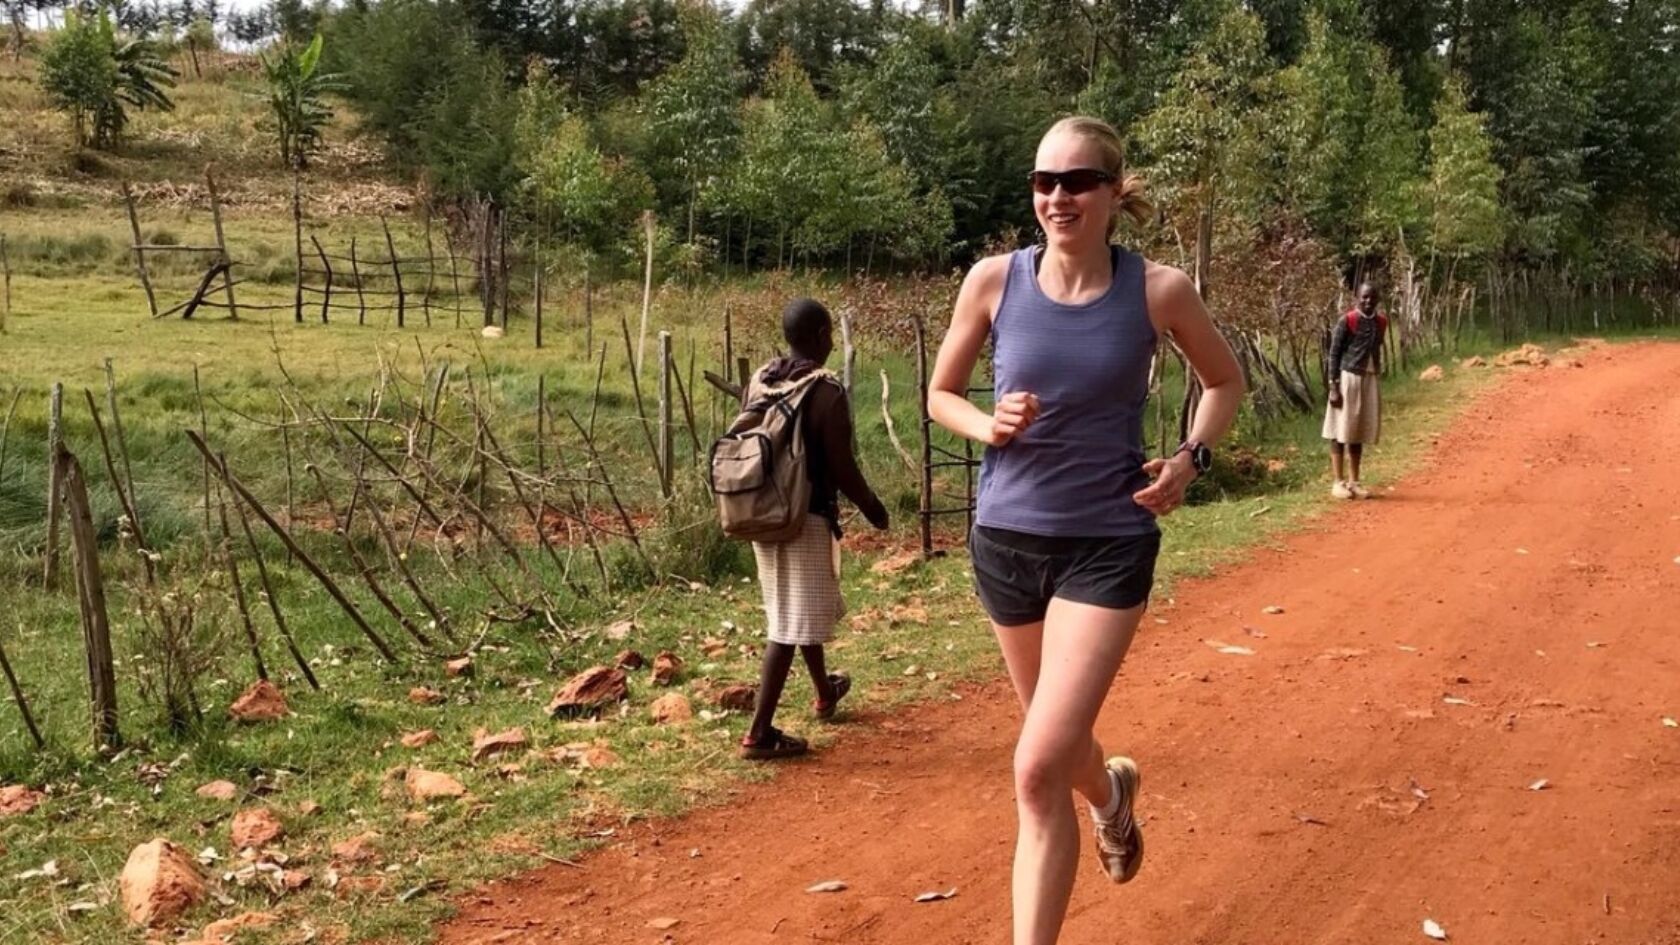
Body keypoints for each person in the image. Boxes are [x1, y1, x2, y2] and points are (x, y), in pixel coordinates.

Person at [927, 116, 1244, 945]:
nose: (1056, 197)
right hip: (1006, 542)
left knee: (1034, 768)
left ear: (1112, 191)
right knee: (1057, 748)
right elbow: (940, 393)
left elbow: (1222, 379)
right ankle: (1110, 798)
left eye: (1075, 182)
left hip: (1108, 541)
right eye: (1043, 182)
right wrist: (984, 423)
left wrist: (1189, 460)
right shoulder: (994, 280)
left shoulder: (1157, 289)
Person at [738, 298, 890, 761]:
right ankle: (759, 733)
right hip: (805, 514)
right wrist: (872, 508)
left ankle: (825, 691)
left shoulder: (764, 378)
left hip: (761, 507)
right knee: (787, 624)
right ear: (824, 334)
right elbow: (842, 466)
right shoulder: (826, 390)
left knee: (795, 607)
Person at [1323, 282, 1388, 499]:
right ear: (1357, 298)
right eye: (1364, 297)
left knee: (1357, 431)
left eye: (1372, 298)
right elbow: (1334, 354)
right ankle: (1338, 481)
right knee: (1340, 430)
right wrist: (1333, 387)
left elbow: (1376, 348)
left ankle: (1354, 481)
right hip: (1347, 378)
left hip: (1368, 378)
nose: (1368, 301)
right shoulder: (1347, 320)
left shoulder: (1381, 323)